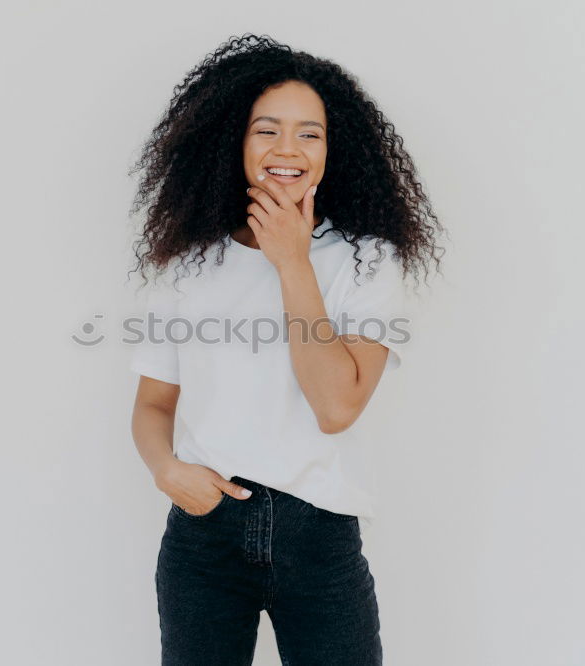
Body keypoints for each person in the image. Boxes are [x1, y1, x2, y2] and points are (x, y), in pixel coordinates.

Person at [127, 34, 445, 665]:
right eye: (266, 130)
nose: (287, 150)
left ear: (334, 147)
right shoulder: (191, 261)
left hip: (319, 532)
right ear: (233, 141)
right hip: (203, 536)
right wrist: (168, 471)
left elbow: (336, 406)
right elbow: (154, 404)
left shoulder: (366, 258)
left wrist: (292, 261)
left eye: (310, 133)